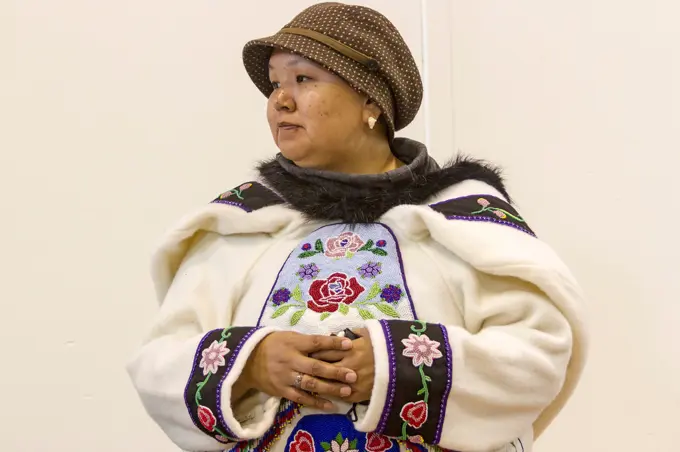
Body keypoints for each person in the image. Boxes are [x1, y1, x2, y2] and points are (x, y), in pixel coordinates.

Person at [127, 2, 588, 452]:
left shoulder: (464, 220)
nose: (280, 100)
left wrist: (399, 365)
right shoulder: (241, 225)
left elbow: (537, 356)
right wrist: (253, 363)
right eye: (274, 85)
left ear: (370, 98)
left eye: (303, 78)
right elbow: (158, 362)